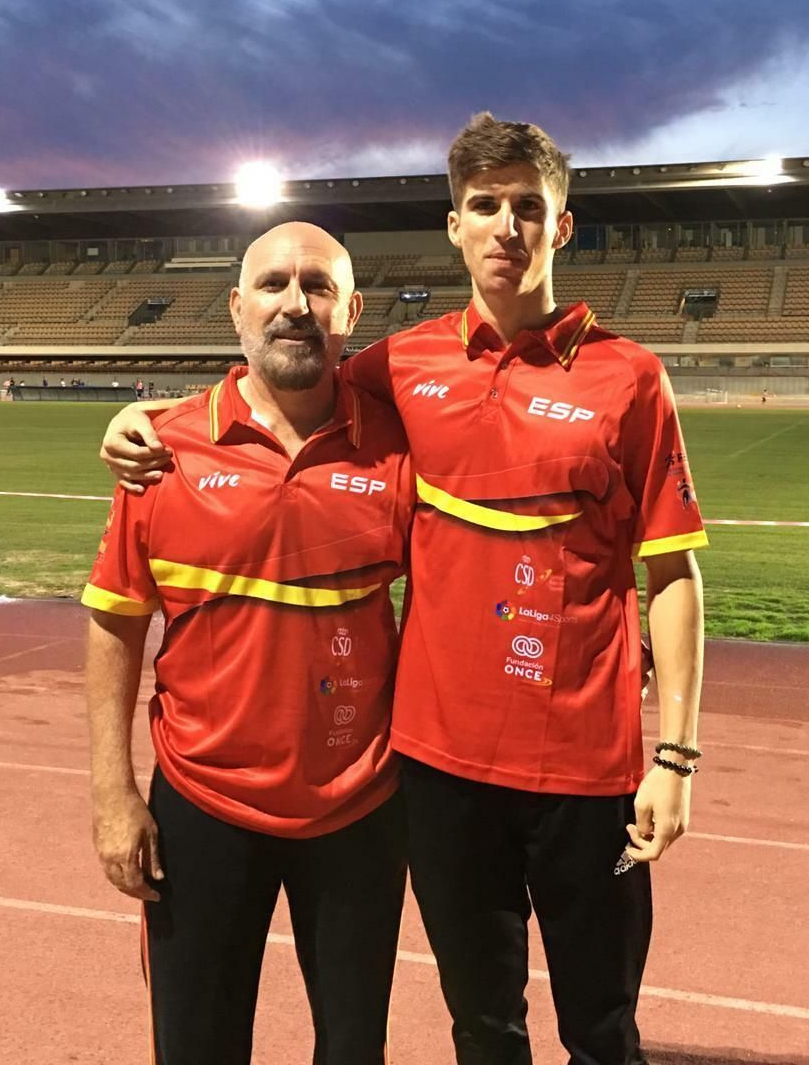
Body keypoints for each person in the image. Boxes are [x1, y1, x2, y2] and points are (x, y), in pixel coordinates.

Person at [101, 114, 707, 1065]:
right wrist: (143, 419)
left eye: (526, 207)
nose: (506, 225)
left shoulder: (631, 377)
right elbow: (285, 378)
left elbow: (672, 569)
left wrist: (675, 756)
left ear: (563, 226)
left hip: (588, 769)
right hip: (440, 768)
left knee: (601, 1028)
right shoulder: (405, 366)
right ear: (455, 227)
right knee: (485, 1028)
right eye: (483, 206)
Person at [82, 222, 414, 1065]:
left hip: (358, 806)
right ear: (237, 308)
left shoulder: (402, 448)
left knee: (352, 1051)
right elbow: (117, 620)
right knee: (195, 1047)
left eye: (318, 287)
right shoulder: (166, 452)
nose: (294, 305)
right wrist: (114, 795)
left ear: (352, 312)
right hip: (202, 803)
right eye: (272, 285)